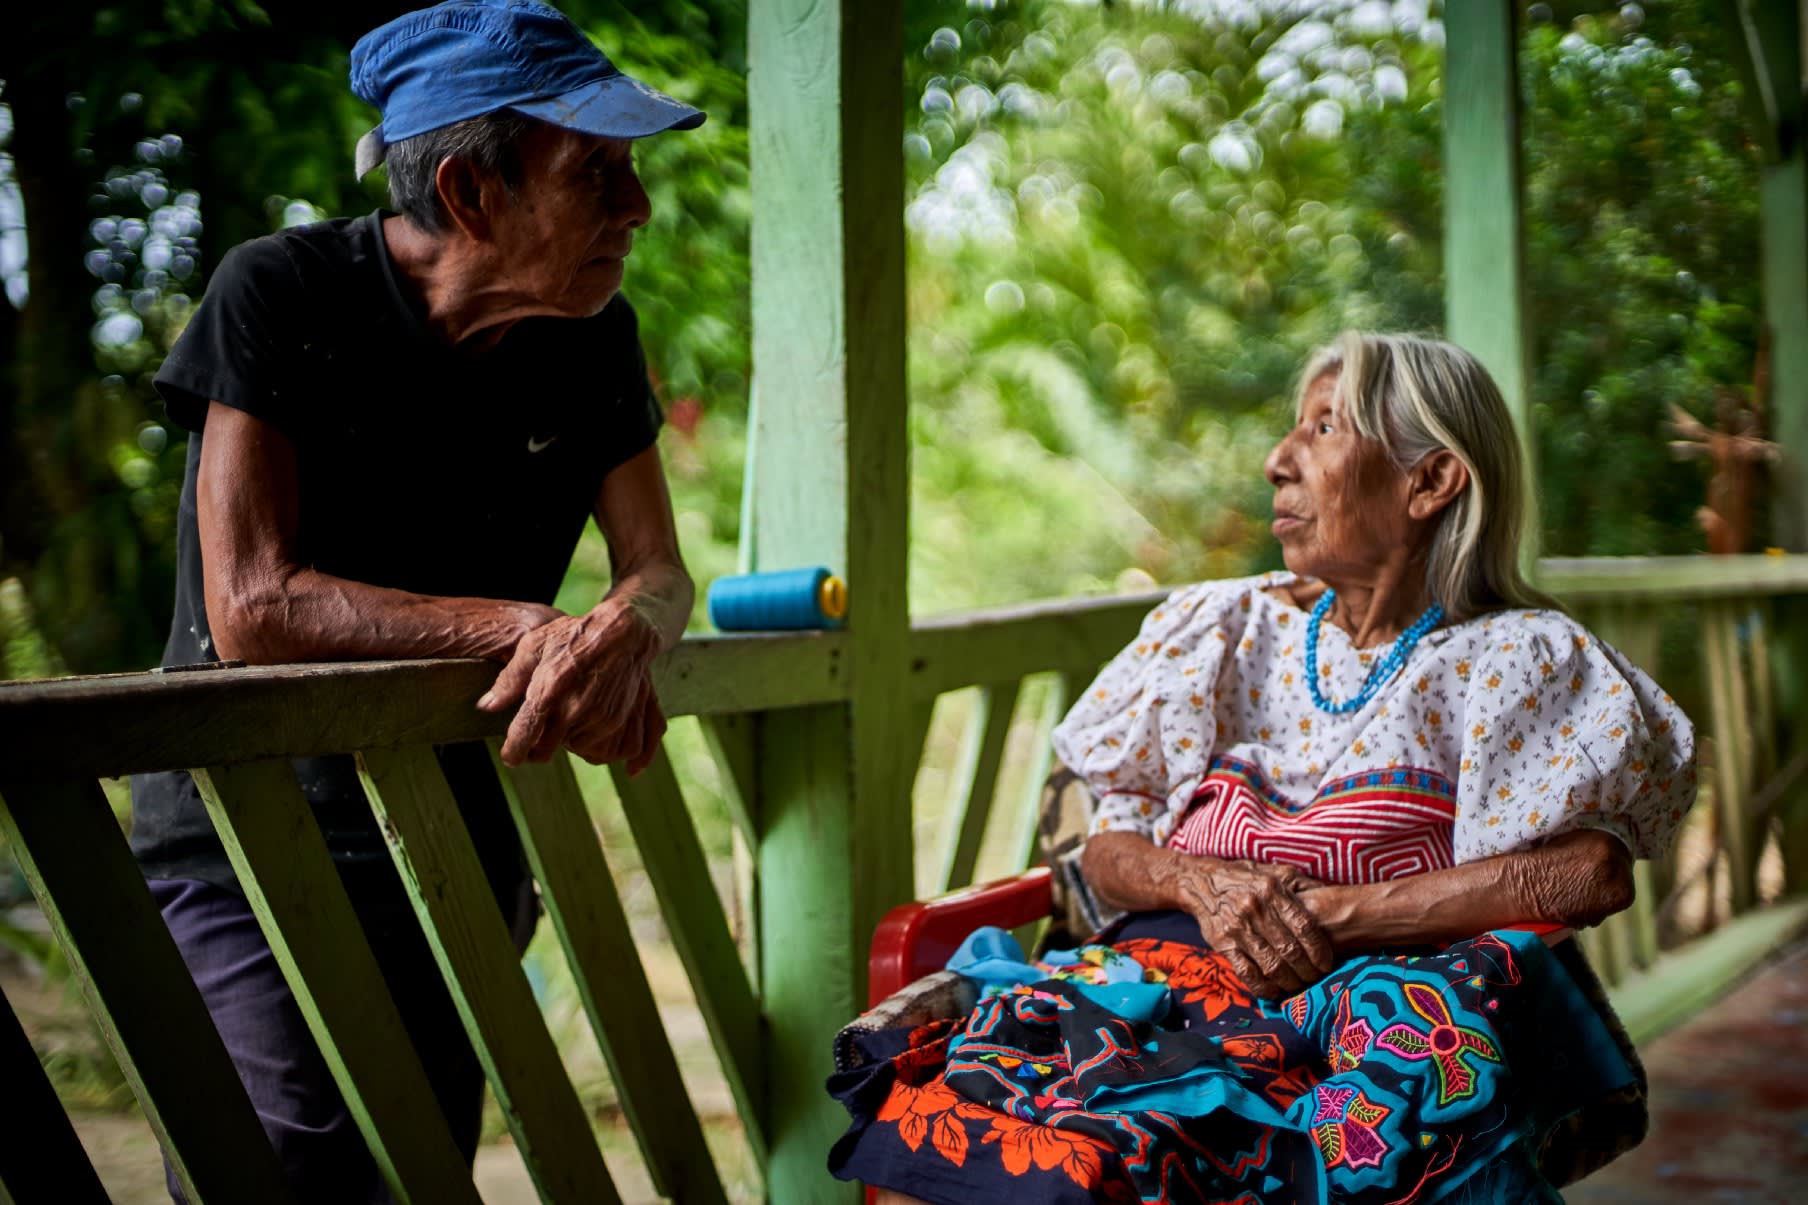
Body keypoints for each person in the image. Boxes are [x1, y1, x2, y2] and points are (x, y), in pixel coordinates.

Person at [830, 333, 1696, 1204]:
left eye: (1323, 428)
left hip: (1353, 1025)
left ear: (1430, 482)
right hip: (1143, 990)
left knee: (1126, 1164)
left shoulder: (1513, 658)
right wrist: (1207, 887)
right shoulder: (1220, 630)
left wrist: (1336, 916)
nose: (1279, 460)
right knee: (938, 1134)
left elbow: (1589, 872)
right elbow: (1106, 849)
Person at [126, 2, 703, 1199]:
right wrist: (521, 623)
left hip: (450, 828)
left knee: (418, 1161)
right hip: (245, 833)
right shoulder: (277, 291)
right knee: (284, 1166)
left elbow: (656, 568)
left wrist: (624, 633)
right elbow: (252, 605)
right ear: (468, 190)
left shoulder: (594, 337)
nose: (636, 209)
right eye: (597, 174)